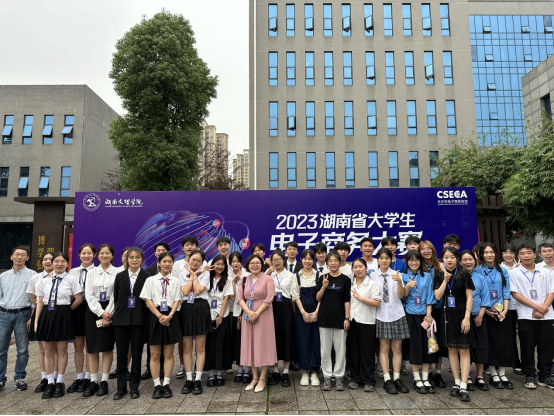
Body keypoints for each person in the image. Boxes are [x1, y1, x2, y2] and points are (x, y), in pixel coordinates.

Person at [34, 253, 83, 399]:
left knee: (62, 350)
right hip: (47, 314)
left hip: (63, 313)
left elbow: (78, 298)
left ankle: (60, 381)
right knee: (48, 350)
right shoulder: (45, 280)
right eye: (56, 261)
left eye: (63, 261)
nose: (59, 264)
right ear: (52, 263)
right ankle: (50, 381)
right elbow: (40, 301)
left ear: (67, 264)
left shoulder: (71, 279)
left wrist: (67, 311)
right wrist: (37, 320)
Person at [510, 243, 554, 391]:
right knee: (527, 347)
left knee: (546, 347)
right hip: (526, 315)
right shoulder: (514, 273)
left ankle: (545, 375)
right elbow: (515, 293)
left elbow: (551, 292)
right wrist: (536, 307)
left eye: (529, 253)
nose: (526, 256)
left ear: (535, 254)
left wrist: (543, 308)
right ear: (518, 256)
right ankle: (529, 374)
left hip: (547, 315)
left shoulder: (545, 271)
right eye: (522, 253)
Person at [434, 247, 474, 402]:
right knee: (451, 349)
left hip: (462, 316)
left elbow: (469, 297)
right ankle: (456, 383)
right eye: (446, 257)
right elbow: (437, 296)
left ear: (457, 258)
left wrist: (467, 317)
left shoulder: (464, 274)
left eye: (452, 257)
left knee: (464, 350)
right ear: (442, 259)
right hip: (447, 317)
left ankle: (464, 385)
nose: (449, 260)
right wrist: (445, 279)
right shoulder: (439, 275)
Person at [140, 252, 183, 399]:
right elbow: (147, 299)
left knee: (168, 354)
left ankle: (166, 384)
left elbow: (177, 299)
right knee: (154, 354)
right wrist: (159, 316)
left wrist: (170, 315)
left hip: (171, 316)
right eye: (164, 261)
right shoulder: (150, 280)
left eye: (170, 261)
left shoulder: (176, 281)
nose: (167, 264)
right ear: (158, 263)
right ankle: (157, 384)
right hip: (155, 317)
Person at [112, 247, 150, 400]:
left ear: (142, 259)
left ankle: (134, 386)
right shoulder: (120, 276)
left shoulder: (147, 276)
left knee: (137, 353)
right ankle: (121, 388)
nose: (134, 260)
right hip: (121, 320)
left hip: (139, 320)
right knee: (121, 354)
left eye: (137, 257)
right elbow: (117, 298)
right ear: (126, 259)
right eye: (131, 257)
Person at [371, 248, 410, 395]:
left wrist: (399, 282)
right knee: (384, 348)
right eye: (381, 258)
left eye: (387, 258)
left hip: (397, 314)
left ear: (391, 259)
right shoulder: (372, 276)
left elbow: (400, 295)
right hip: (381, 314)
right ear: (378, 260)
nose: (384, 261)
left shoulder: (397, 274)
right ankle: (387, 379)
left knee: (397, 348)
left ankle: (397, 378)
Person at [237, 254, 278, 393]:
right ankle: (254, 377)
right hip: (248, 314)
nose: (255, 265)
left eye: (258, 263)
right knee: (251, 344)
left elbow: (269, 298)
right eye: (252, 263)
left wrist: (256, 313)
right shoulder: (243, 279)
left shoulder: (268, 279)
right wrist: (249, 312)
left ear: (262, 265)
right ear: (248, 265)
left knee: (263, 344)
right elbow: (240, 298)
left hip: (264, 314)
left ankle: (262, 378)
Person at [477, 243, 515, 389]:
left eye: (491, 252)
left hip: (502, 312)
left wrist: (505, 310)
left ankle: (503, 373)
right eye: (486, 252)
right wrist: (486, 311)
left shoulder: (502, 270)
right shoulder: (478, 270)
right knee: (490, 343)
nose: (489, 255)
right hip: (486, 312)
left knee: (503, 342)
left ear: (496, 253)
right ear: (482, 254)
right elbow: (478, 293)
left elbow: (506, 291)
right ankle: (493, 374)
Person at [83, 244, 118, 398]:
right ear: (98, 255)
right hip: (93, 311)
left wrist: (108, 313)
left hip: (111, 309)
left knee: (107, 346)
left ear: (112, 256)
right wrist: (101, 312)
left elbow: (117, 295)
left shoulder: (118, 272)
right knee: (92, 348)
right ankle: (93, 380)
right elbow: (89, 295)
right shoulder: (91, 273)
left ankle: (104, 380)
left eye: (108, 253)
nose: (105, 256)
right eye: (102, 253)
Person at [0, 246, 35, 392]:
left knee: (22, 349)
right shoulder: (3, 276)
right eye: (17, 254)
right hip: (4, 314)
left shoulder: (33, 275)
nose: (19, 257)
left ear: (27, 258)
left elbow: (34, 299)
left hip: (23, 314)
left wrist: (31, 317)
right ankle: (1, 379)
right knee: (1, 349)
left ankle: (19, 378)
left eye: (23, 255)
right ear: (11, 257)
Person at [402, 250, 437, 395]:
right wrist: (407, 286)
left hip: (425, 316)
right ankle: (417, 378)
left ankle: (426, 378)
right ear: (407, 262)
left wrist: (429, 314)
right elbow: (402, 296)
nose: (414, 263)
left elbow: (430, 295)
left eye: (416, 260)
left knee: (427, 346)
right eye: (411, 260)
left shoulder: (427, 276)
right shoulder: (403, 276)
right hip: (410, 315)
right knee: (414, 346)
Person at [316, 251, 351, 392]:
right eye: (330, 261)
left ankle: (339, 376)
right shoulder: (322, 277)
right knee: (325, 350)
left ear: (339, 262)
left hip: (340, 320)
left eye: (335, 260)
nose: (333, 263)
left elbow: (347, 300)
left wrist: (347, 318)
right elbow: (318, 298)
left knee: (340, 350)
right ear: (327, 263)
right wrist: (324, 286)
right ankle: (326, 376)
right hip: (324, 319)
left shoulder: (345, 279)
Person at [180, 250, 213, 396]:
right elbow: (186, 292)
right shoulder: (182, 273)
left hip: (201, 307)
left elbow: (198, 290)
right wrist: (193, 275)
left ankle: (198, 379)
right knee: (187, 347)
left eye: (198, 261)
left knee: (200, 347)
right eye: (193, 259)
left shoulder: (206, 273)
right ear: (188, 259)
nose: (195, 263)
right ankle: (189, 379)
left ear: (202, 262)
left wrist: (195, 275)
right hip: (186, 308)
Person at [348, 258, 381, 392]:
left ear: (366, 268)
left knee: (367, 352)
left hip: (367, 321)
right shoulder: (350, 284)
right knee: (354, 351)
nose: (358, 269)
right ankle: (355, 379)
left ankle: (368, 380)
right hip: (352, 320)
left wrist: (361, 298)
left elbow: (377, 302)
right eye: (355, 267)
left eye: (360, 266)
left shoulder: (372, 284)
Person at [66, 244, 96, 394]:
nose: (86, 256)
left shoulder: (97, 271)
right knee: (78, 345)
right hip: (77, 307)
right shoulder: (72, 272)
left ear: (94, 255)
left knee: (89, 345)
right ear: (79, 255)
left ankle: (89, 377)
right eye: (83, 253)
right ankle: (79, 377)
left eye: (89, 253)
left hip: (92, 307)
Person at [26, 252, 56, 394]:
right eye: (45, 259)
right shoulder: (36, 277)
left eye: (51, 259)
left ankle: (55, 376)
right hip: (42, 312)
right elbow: (32, 296)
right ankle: (44, 377)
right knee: (43, 349)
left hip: (56, 313)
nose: (48, 261)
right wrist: (40, 308)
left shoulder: (62, 277)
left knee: (57, 348)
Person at [460, 250, 491, 392]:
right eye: (464, 260)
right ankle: (466, 376)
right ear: (460, 262)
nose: (468, 262)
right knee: (464, 348)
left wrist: (480, 315)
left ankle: (479, 376)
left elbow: (485, 297)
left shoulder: (480, 277)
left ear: (475, 260)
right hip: (462, 318)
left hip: (478, 316)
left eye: (470, 259)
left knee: (481, 347)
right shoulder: (458, 277)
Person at [266, 250, 296, 387]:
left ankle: (285, 372)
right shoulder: (269, 274)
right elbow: (260, 285)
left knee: (287, 338)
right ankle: (274, 371)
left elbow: (293, 296)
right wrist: (268, 272)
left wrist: (294, 314)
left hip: (286, 308)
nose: (276, 262)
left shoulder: (291, 275)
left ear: (284, 260)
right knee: (272, 338)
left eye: (279, 259)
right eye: (274, 259)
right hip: (271, 307)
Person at [419, 241, 447, 388]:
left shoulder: (440, 266)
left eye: (428, 248)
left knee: (438, 341)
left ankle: (438, 372)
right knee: (427, 342)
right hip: (422, 310)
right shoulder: (419, 266)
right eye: (423, 249)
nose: (426, 251)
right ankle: (427, 372)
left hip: (438, 308)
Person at [291, 250, 321, 387]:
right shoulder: (296, 276)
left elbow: (321, 296)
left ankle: (314, 372)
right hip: (301, 313)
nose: (307, 261)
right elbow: (295, 296)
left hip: (316, 313)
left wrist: (316, 312)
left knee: (316, 341)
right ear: (301, 260)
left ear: (313, 260)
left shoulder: (319, 275)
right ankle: (304, 371)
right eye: (305, 259)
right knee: (302, 340)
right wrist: (303, 312)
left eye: (310, 259)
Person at [142, 242, 170, 380]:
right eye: (158, 250)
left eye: (163, 250)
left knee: (167, 342)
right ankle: (150, 368)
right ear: (155, 254)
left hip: (168, 312)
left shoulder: (172, 271)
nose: (160, 252)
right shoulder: (149, 270)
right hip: (153, 311)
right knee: (152, 342)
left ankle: (164, 368)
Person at [205, 255, 233, 388]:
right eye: (217, 264)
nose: (220, 267)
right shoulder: (206, 278)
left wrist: (220, 317)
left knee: (221, 344)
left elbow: (226, 299)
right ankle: (211, 373)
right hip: (207, 316)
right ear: (213, 265)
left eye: (222, 264)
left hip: (223, 316)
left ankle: (220, 373)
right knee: (209, 345)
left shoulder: (227, 280)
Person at [229, 252, 252, 384]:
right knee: (238, 342)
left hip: (247, 312)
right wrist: (233, 282)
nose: (235, 263)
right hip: (235, 312)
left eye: (237, 261)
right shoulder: (228, 276)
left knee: (247, 341)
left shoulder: (248, 275)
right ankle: (239, 368)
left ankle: (247, 369)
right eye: (233, 261)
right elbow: (232, 297)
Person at [502, 243, 523, 376]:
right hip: (508, 307)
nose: (508, 255)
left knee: (524, 335)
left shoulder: (521, 268)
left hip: (522, 306)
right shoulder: (499, 268)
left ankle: (525, 361)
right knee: (510, 336)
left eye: (511, 252)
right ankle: (515, 362)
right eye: (506, 252)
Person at [537, 242, 554, 377]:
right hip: (545, 305)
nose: (548, 254)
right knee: (547, 338)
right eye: (544, 251)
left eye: (550, 250)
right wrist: (543, 307)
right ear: (540, 254)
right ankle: (548, 365)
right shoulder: (537, 268)